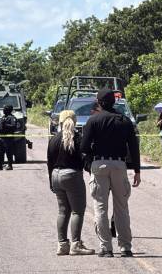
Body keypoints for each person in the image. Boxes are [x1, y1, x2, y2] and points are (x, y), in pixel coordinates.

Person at [80, 88, 141, 258]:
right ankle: (125, 247)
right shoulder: (125, 120)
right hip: (119, 165)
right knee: (121, 207)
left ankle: (106, 248)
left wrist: (93, 154)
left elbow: (84, 147)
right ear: (115, 102)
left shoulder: (93, 120)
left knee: (100, 207)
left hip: (99, 164)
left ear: (99, 102)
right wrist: (137, 170)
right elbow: (134, 147)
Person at [47, 110, 95, 256]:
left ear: (60, 122)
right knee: (77, 211)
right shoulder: (78, 138)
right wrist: (91, 170)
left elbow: (49, 162)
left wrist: (51, 182)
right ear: (75, 122)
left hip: (56, 175)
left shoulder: (54, 139)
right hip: (72, 175)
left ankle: (62, 245)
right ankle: (76, 244)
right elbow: (84, 159)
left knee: (63, 211)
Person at [0, 104, 18, 170]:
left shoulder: (12, 118)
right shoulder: (3, 117)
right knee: (0, 153)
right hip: (1, 138)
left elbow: (14, 127)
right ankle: (0, 166)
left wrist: (5, 125)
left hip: (8, 139)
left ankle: (10, 165)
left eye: (5, 108)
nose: (3, 110)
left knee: (9, 152)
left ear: (8, 110)